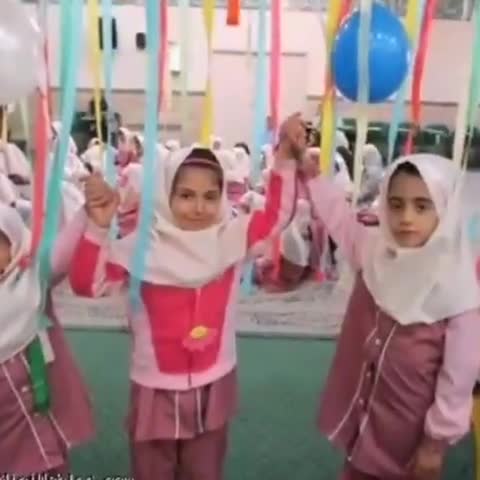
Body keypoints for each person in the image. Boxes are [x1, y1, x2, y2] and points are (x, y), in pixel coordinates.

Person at [69, 114, 305, 480]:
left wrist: (285, 159)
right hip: (155, 388)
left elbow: (277, 216)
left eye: (210, 196)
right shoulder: (142, 249)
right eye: (186, 195)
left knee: (204, 470)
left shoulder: (231, 239)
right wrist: (98, 226)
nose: (199, 208)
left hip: (214, 381)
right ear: (166, 194)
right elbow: (87, 284)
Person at [301, 152, 480, 480]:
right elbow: (341, 221)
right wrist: (312, 175)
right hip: (365, 416)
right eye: (396, 205)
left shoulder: (459, 289)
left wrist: (435, 444)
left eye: (422, 206)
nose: (406, 218)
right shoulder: (375, 253)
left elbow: (458, 378)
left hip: (409, 435)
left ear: (445, 210)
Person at [0, 204, 95, 474]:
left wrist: (87, 212)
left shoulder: (30, 283)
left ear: (14, 246)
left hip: (41, 417)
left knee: (49, 465)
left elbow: (59, 257)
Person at [357, 144, 384, 208]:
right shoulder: (375, 169)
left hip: (368, 204)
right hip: (368, 202)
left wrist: (357, 196)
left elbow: (370, 188)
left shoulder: (373, 171)